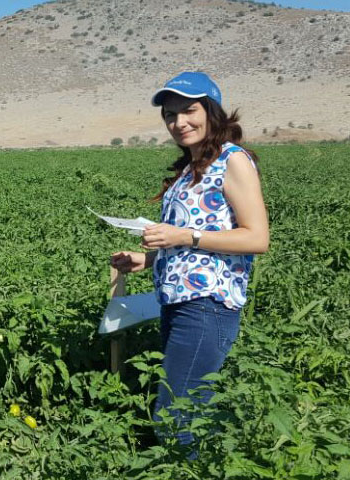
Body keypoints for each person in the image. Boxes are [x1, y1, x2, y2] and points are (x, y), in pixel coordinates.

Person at [111, 71, 269, 447]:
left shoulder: (233, 160)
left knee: (177, 415)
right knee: (186, 408)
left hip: (207, 305)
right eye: (170, 114)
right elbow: (194, 243)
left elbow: (257, 237)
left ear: (212, 111)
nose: (179, 122)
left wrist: (185, 235)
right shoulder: (189, 169)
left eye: (189, 110)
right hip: (178, 302)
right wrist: (147, 260)